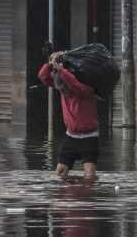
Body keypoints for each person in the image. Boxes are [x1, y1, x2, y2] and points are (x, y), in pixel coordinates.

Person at [38, 51, 100, 181]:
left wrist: (61, 70)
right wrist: (50, 64)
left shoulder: (85, 90)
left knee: (90, 176)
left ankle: (87, 197)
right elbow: (43, 77)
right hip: (71, 137)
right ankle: (69, 194)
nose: (63, 92)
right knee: (60, 173)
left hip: (89, 138)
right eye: (60, 89)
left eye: (64, 89)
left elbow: (74, 84)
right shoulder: (62, 88)